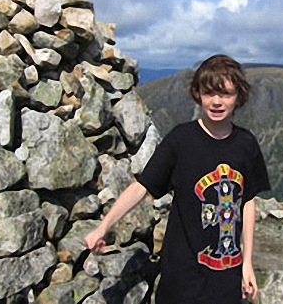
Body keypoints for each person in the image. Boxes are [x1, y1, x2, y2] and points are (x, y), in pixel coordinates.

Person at [85, 54, 271, 303]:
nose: (216, 102)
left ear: (238, 97)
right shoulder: (180, 140)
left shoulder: (246, 144)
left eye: (225, 94)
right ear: (198, 94)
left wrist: (247, 263)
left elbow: (247, 201)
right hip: (181, 275)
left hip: (226, 274)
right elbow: (143, 187)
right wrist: (104, 227)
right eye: (208, 93)